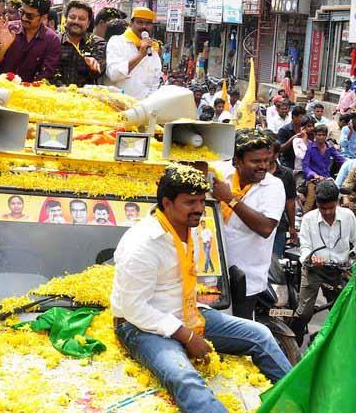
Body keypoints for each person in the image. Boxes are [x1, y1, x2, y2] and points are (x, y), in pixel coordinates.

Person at [111, 164, 292, 413]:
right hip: (142, 326)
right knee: (184, 377)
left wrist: (190, 327)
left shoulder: (190, 227)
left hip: (188, 313)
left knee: (260, 334)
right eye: (190, 202)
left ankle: (303, 399)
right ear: (167, 203)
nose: (198, 209)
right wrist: (186, 336)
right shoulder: (142, 244)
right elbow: (133, 308)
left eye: (200, 201)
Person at [212, 129, 285, 320]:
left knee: (239, 334)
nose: (263, 166)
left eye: (266, 161)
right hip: (213, 272)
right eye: (255, 161)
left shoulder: (274, 186)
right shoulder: (221, 174)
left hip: (246, 278)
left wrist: (230, 199)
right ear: (237, 160)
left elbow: (266, 228)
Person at [293, 180, 356, 341]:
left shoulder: (348, 216)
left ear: (337, 202)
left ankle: (330, 344)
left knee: (341, 314)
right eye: (323, 209)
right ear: (317, 203)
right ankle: (292, 343)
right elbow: (304, 248)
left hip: (340, 270)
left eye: (331, 207)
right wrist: (311, 258)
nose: (328, 212)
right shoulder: (308, 219)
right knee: (304, 313)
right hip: (314, 270)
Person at [0, 0, 61, 83]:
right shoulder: (8, 29)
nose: (24, 18)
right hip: (0, 88)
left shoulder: (52, 40)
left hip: (30, 93)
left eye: (30, 16)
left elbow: (45, 76)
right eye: (22, 12)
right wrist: (3, 47)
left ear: (43, 17)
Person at [105, 7, 163, 99]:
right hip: (119, 103)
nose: (144, 26)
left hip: (144, 106)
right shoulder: (117, 41)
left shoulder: (152, 48)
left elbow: (155, 81)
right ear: (131, 23)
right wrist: (140, 55)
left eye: (148, 23)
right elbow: (114, 75)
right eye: (139, 22)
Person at [54, 0, 107, 88]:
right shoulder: (55, 41)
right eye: (72, 17)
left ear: (88, 23)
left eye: (81, 19)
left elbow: (98, 72)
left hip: (85, 98)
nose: (76, 21)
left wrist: (93, 67)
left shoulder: (97, 43)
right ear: (66, 19)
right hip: (57, 96)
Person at [267, 134, 298, 259]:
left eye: (268, 152)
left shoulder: (286, 174)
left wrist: (292, 226)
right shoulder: (254, 174)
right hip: (255, 226)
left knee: (274, 263)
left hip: (278, 226)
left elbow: (290, 202)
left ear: (276, 154)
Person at [302, 125, 345, 209]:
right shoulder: (310, 148)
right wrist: (314, 174)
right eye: (319, 135)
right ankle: (304, 217)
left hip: (327, 179)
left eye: (323, 135)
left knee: (336, 198)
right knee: (310, 201)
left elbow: (340, 159)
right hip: (313, 180)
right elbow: (305, 165)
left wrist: (351, 164)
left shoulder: (330, 147)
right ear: (315, 135)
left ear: (326, 136)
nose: (321, 137)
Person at [277, 105, 308, 170]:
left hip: (303, 160)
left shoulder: (305, 129)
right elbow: (280, 149)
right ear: (294, 117)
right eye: (301, 117)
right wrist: (292, 140)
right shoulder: (284, 130)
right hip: (288, 160)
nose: (303, 119)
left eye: (304, 117)